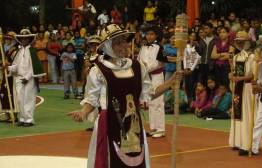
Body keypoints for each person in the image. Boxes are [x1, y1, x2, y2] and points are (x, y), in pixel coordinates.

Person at [67, 24, 183, 168]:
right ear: (108, 46)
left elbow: (149, 94)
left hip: (133, 122)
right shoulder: (98, 71)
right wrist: (83, 112)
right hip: (109, 123)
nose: (124, 45)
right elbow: (91, 98)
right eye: (118, 42)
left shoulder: (137, 67)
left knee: (136, 160)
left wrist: (170, 83)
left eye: (124, 41)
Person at [4, 29, 45, 127]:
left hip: (29, 79)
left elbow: (33, 67)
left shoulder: (32, 51)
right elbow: (16, 66)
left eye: (26, 39)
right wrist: (8, 67)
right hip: (18, 78)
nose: (24, 40)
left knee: (28, 99)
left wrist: (27, 77)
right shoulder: (18, 51)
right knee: (20, 99)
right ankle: (22, 118)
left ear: (29, 39)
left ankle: (29, 120)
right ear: (20, 40)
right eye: (22, 39)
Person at [228, 31, 257, 156]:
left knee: (247, 115)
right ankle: (237, 141)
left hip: (248, 88)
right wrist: (231, 75)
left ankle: (247, 143)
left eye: (242, 41)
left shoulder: (251, 56)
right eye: (238, 41)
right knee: (237, 114)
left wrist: (239, 78)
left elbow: (252, 74)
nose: (239, 43)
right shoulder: (236, 57)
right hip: (238, 88)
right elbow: (234, 72)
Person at [138, 25, 168, 138]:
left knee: (158, 102)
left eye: (152, 34)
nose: (149, 36)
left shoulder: (160, 47)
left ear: (156, 35)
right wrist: (142, 69)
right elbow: (139, 61)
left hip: (157, 76)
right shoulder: (143, 47)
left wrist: (147, 68)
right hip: (146, 77)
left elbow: (162, 63)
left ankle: (160, 129)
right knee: (150, 101)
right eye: (147, 34)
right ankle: (153, 127)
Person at [0, 31, 18, 122]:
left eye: (9, 39)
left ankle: (14, 116)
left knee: (12, 94)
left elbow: (16, 63)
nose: (7, 40)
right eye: (6, 38)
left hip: (12, 75)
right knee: (3, 93)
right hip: (5, 73)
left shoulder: (16, 49)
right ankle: (7, 115)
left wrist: (8, 64)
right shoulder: (4, 48)